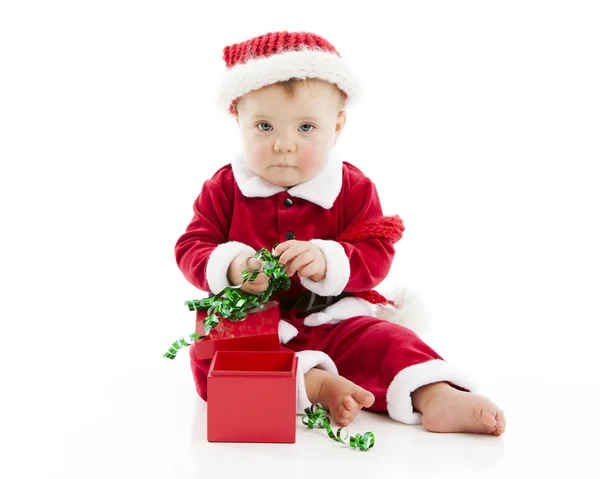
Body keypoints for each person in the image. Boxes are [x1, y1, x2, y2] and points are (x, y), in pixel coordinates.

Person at [175, 31, 506, 435]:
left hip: (333, 320)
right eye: (264, 126)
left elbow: (376, 250)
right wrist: (234, 267)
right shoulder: (225, 188)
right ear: (238, 121)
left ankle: (433, 393)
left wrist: (329, 259)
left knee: (386, 339)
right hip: (253, 325)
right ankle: (315, 385)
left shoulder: (351, 188)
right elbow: (193, 246)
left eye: (306, 128)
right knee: (212, 356)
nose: (283, 144)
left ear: (337, 126)